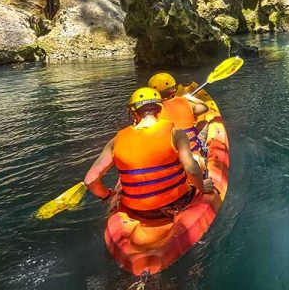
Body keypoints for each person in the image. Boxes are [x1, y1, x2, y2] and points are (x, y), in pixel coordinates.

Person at [83, 87, 214, 218]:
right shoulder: (176, 133)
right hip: (177, 201)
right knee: (196, 162)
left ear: (133, 113)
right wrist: (202, 186)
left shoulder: (115, 142)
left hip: (138, 211)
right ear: (159, 109)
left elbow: (90, 181)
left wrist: (107, 196)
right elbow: (191, 169)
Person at [148, 72, 209, 159]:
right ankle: (201, 148)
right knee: (204, 123)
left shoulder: (151, 112)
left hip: (168, 156)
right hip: (192, 154)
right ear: (174, 91)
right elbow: (205, 108)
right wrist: (190, 98)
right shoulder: (184, 102)